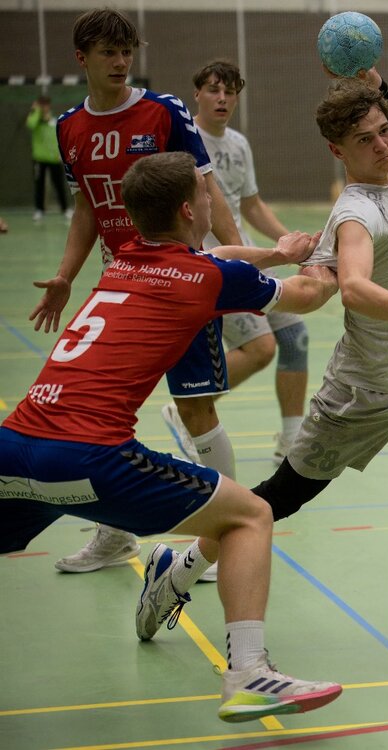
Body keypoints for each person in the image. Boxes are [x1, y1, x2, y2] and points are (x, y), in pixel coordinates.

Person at [162, 71, 388, 652]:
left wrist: (380, 83)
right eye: (366, 140)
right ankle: (179, 569)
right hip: (364, 391)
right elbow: (351, 286)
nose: (383, 146)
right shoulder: (355, 215)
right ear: (338, 151)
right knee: (278, 499)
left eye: (383, 131)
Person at [0, 151, 342, 722]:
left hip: (13, 446)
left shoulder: (124, 261)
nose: (212, 202)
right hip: (92, 457)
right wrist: (333, 260)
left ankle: (172, 583)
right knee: (251, 515)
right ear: (189, 209)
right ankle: (249, 673)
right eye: (206, 195)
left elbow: (213, 257)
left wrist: (276, 253)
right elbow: (306, 295)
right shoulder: (206, 277)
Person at [33, 9, 245, 575]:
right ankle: (113, 535)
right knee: (99, 411)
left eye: (127, 51)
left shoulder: (164, 111)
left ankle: (225, 535)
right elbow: (86, 208)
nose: (121, 61)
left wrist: (237, 261)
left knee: (195, 408)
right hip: (119, 282)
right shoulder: (69, 127)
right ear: (82, 58)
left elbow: (207, 188)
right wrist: (65, 276)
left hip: (179, 277)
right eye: (109, 52)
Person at [191, 59, 310, 472]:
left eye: (231, 92)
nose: (222, 98)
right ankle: (192, 409)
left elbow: (252, 205)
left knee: (295, 335)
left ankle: (292, 439)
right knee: (261, 349)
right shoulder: (186, 141)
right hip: (213, 263)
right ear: (197, 94)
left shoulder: (239, 144)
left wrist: (291, 243)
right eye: (213, 90)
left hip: (246, 253)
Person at [27, 95, 70, 222]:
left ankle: (65, 209)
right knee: (39, 185)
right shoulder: (35, 118)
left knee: (59, 184)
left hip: (54, 158)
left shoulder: (53, 119)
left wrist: (60, 154)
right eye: (42, 104)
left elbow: (56, 137)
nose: (44, 107)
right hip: (39, 159)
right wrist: (35, 111)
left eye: (46, 104)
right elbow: (30, 124)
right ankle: (39, 210)